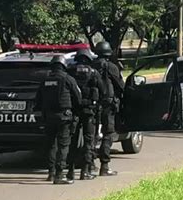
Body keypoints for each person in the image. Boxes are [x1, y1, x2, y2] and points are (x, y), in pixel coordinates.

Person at [36, 55, 81, 184]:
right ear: (63, 66)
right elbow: (77, 97)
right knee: (63, 145)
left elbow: (38, 99)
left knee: (51, 144)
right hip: (64, 117)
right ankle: (59, 175)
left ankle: (51, 172)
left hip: (48, 117)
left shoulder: (45, 80)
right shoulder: (68, 79)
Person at [67, 49, 106, 180]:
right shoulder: (93, 73)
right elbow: (103, 90)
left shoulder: (71, 71)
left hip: (74, 110)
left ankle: (70, 171)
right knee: (88, 141)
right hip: (89, 111)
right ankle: (85, 171)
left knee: (72, 141)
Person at [92, 41, 124, 176]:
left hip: (91, 105)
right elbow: (120, 85)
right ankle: (104, 166)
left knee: (91, 135)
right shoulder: (111, 67)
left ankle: (89, 165)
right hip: (108, 105)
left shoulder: (90, 66)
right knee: (108, 133)